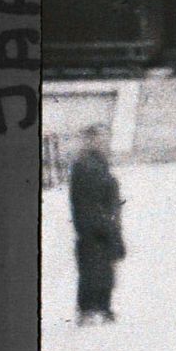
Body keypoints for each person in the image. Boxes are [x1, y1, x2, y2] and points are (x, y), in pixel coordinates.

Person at [68, 123, 125, 325]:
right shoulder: (85, 165)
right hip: (93, 227)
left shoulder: (98, 163)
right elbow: (86, 201)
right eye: (101, 138)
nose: (105, 142)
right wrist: (105, 226)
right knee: (93, 268)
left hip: (103, 224)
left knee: (104, 268)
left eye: (106, 138)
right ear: (91, 140)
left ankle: (101, 307)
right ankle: (88, 310)